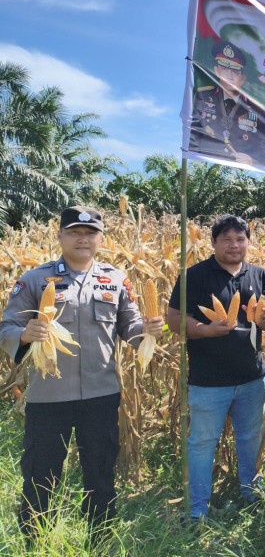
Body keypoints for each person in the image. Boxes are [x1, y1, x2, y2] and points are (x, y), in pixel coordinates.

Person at [0, 206, 164, 545]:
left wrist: (148, 331)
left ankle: (99, 539)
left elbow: (130, 327)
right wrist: (24, 334)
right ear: (60, 236)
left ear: (101, 238)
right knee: (41, 472)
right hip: (49, 396)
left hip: (101, 394)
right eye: (74, 232)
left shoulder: (115, 279)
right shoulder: (35, 279)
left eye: (90, 233)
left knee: (100, 472)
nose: (83, 239)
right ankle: (35, 541)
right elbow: (6, 327)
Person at [167, 214, 265, 522]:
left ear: (248, 242)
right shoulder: (195, 275)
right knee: (202, 444)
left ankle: (252, 495)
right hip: (208, 381)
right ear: (213, 242)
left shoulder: (260, 274)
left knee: (250, 439)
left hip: (252, 378)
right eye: (227, 239)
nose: (234, 245)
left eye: (240, 239)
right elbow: (174, 318)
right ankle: (197, 510)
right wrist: (204, 330)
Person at [189, 40, 265, 166]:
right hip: (206, 166)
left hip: (240, 172)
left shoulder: (257, 109)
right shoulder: (204, 97)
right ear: (217, 71)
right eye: (224, 69)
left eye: (235, 71)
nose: (230, 76)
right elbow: (192, 133)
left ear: (242, 78)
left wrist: (252, 159)